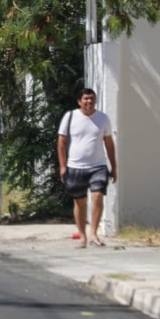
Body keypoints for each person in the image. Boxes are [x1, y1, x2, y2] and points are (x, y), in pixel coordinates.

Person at [57, 88, 118, 248]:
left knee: (97, 196)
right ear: (79, 101)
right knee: (80, 202)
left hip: (98, 166)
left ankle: (93, 234)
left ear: (95, 101)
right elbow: (61, 142)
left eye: (92, 99)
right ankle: (82, 236)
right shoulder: (70, 117)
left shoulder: (103, 118)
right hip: (75, 166)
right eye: (86, 99)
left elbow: (109, 144)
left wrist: (114, 166)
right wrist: (62, 166)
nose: (89, 101)